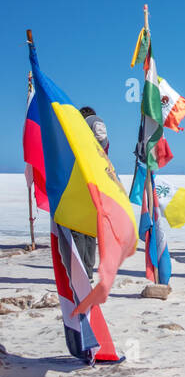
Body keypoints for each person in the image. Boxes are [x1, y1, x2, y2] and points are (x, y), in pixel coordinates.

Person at [70, 106, 111, 280]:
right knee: (89, 230)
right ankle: (87, 271)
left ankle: (82, 271)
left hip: (84, 183)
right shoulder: (98, 134)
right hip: (96, 184)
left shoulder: (91, 124)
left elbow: (99, 139)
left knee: (79, 229)